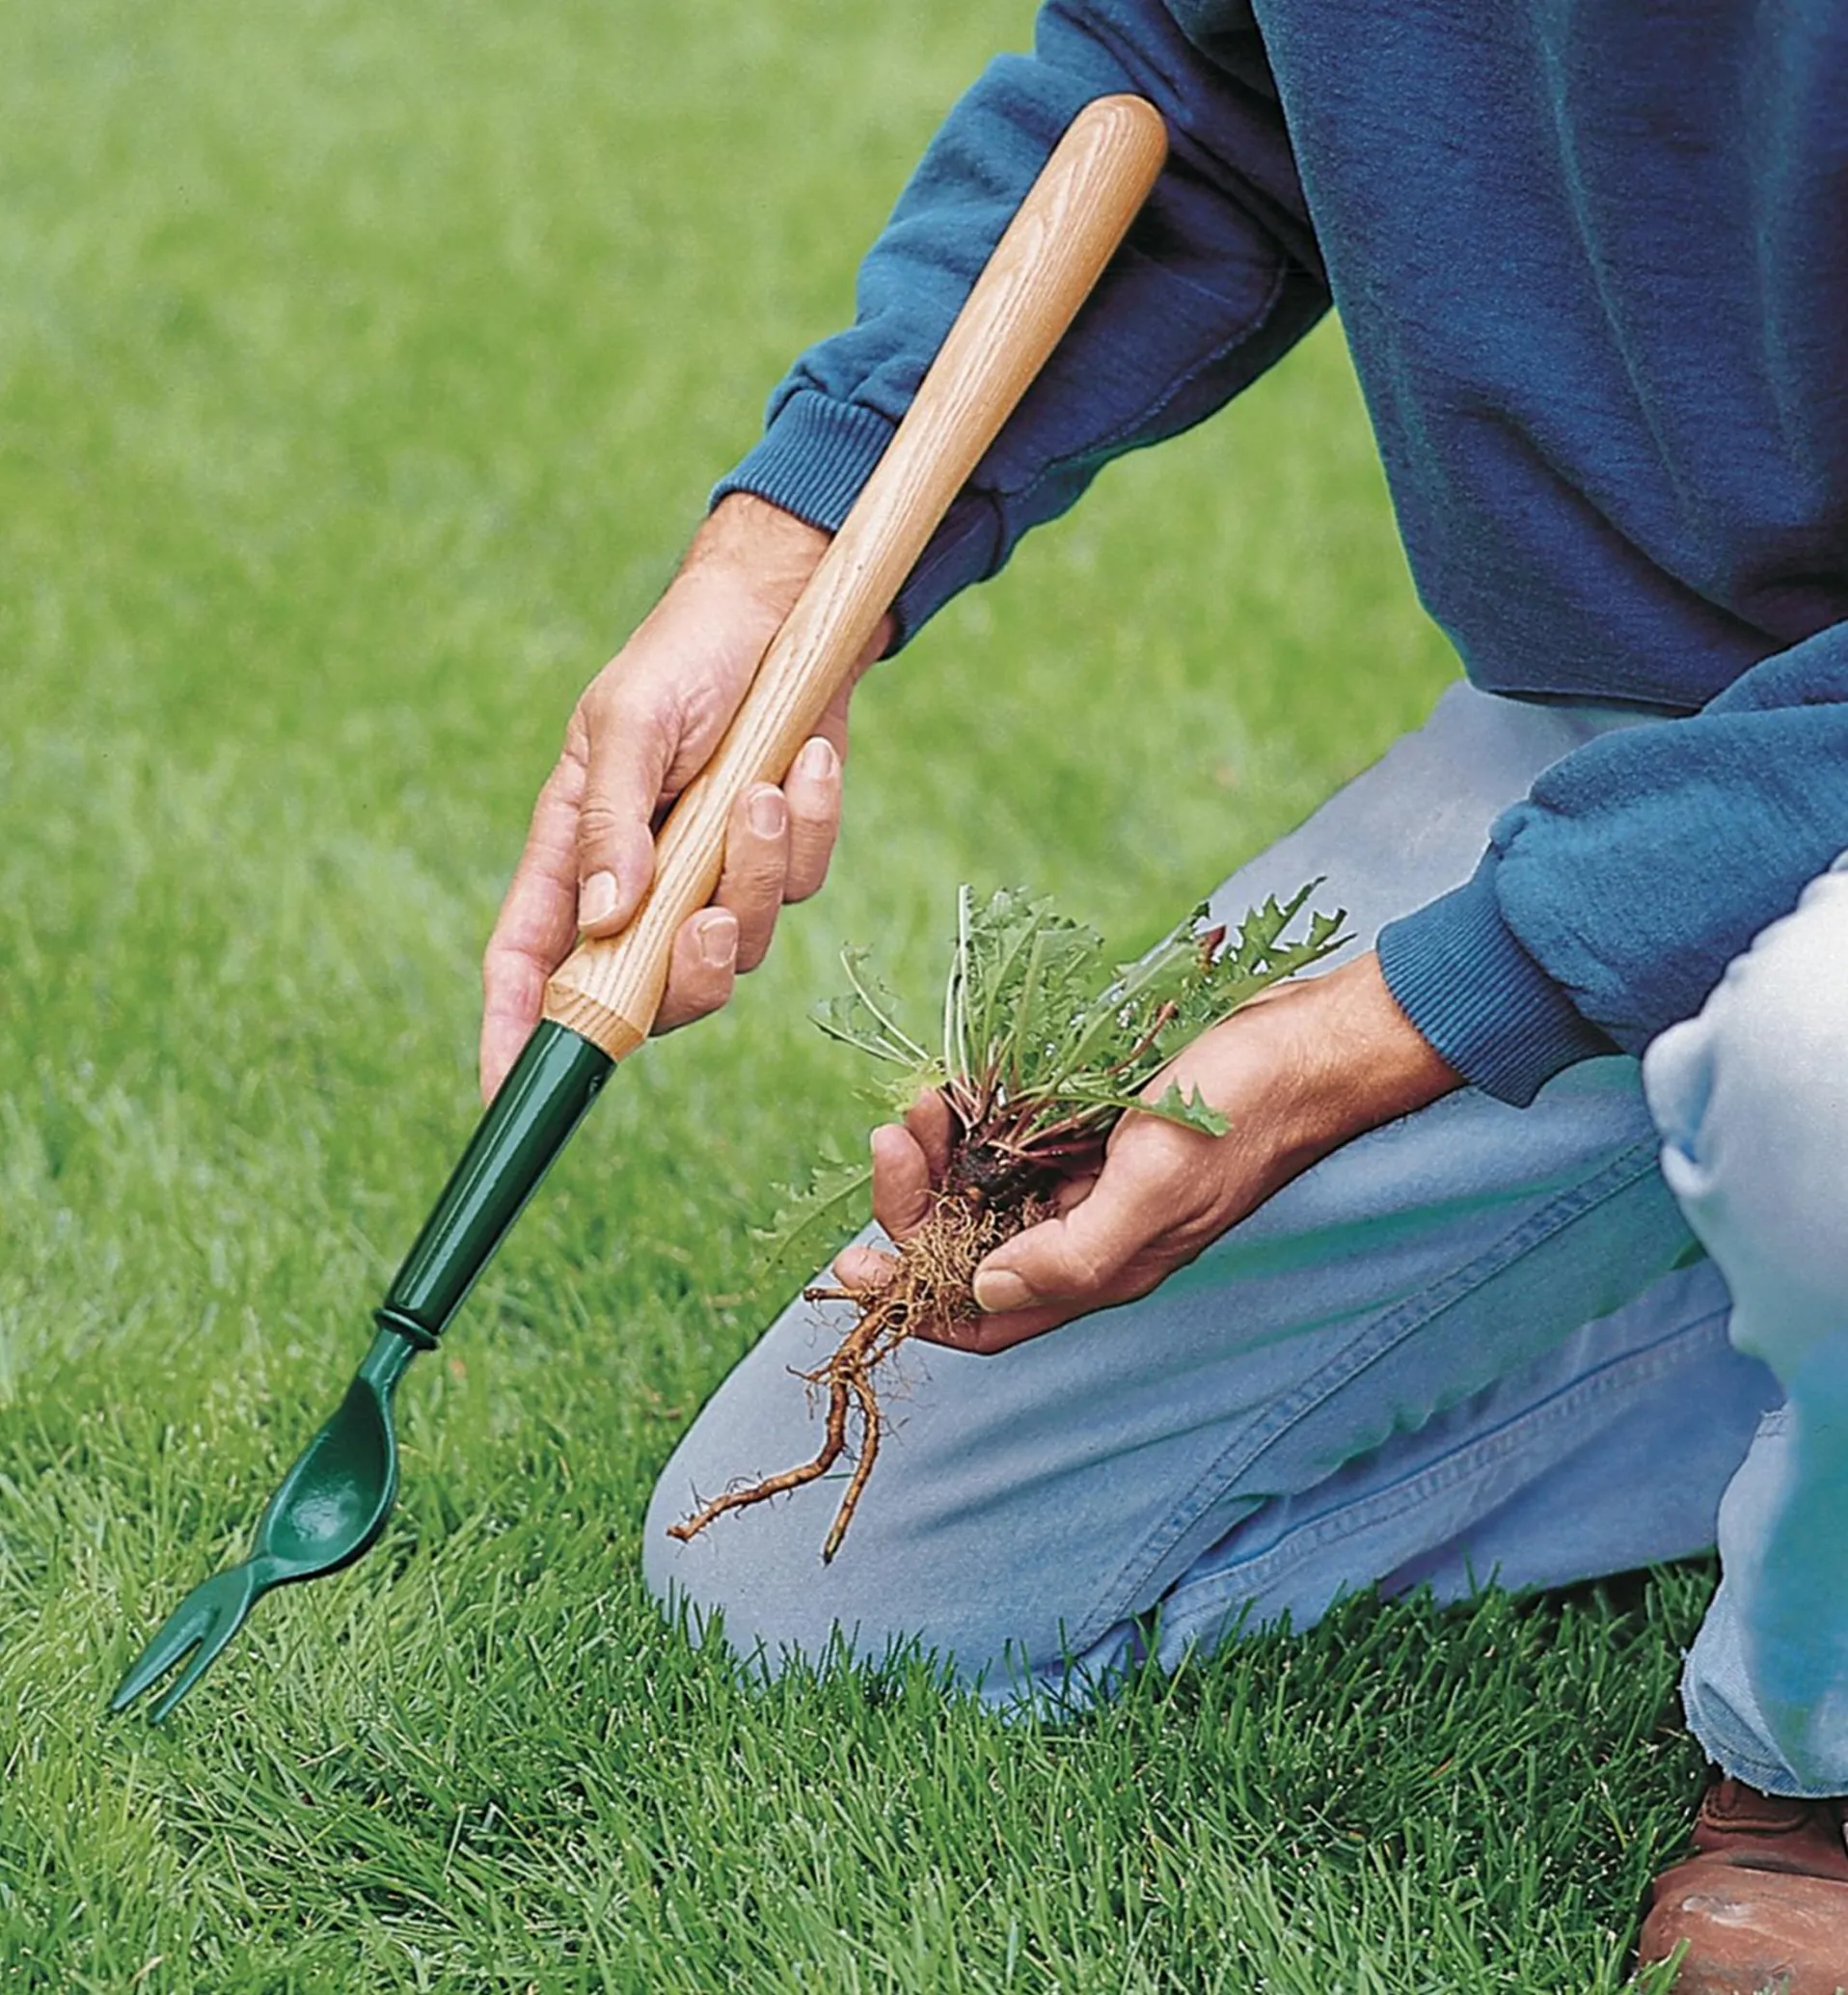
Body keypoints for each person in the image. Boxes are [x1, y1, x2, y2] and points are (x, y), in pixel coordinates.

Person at [478, 4, 1848, 1984]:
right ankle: (1787, 1304)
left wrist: (1365, 1036)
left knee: (1811, 1070)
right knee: (818, 1585)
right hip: (1613, 722)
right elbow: (1182, 92)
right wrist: (787, 563)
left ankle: (1809, 1770)